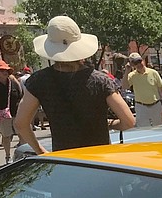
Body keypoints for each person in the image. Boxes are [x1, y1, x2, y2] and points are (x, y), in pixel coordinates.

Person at [14, 16, 134, 155]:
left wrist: (41, 151)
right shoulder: (100, 80)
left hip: (67, 160)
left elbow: (21, 123)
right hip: (100, 158)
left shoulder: (39, 80)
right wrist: (108, 124)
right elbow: (129, 121)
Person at [0, 60, 22, 163]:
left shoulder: (13, 82)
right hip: (3, 115)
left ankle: (24, 154)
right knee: (7, 136)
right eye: (2, 70)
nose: (5, 72)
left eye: (6, 70)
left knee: (21, 133)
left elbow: (20, 96)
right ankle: (7, 156)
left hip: (16, 112)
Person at [122, 52, 162, 127]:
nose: (139, 64)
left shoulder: (153, 73)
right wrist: (127, 71)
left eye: (139, 61)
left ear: (142, 60)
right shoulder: (131, 75)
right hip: (141, 107)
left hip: (155, 105)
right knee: (143, 129)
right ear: (132, 65)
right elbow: (124, 86)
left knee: (160, 127)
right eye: (135, 63)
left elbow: (161, 88)